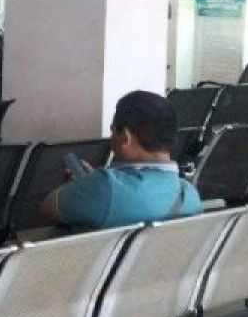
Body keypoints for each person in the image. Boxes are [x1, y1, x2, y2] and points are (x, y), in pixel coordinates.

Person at [41, 90, 200, 229]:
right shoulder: (190, 195)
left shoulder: (106, 187)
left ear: (125, 137)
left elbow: (48, 208)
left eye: (112, 130)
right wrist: (91, 183)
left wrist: (86, 185)